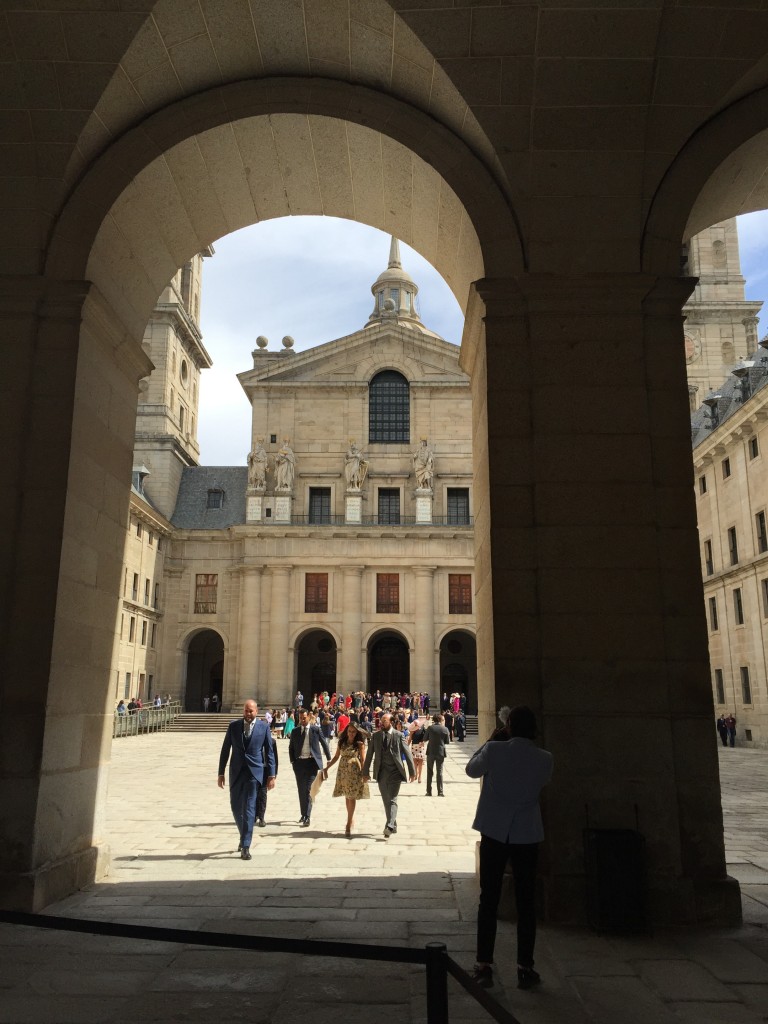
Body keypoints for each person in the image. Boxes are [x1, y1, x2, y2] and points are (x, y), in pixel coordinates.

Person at [466, 705, 553, 992]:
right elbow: (540, 782)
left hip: (494, 831)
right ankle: (525, 968)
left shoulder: (495, 750)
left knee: (488, 900)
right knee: (526, 903)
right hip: (527, 834)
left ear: (509, 726)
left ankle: (484, 965)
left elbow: (471, 769)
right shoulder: (545, 758)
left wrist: (491, 741)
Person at [217, 700, 276, 860]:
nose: (248, 714)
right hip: (236, 772)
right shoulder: (233, 726)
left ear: (256, 711)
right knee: (235, 807)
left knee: (249, 808)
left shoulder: (264, 727)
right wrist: (221, 773)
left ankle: (246, 845)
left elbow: (269, 752)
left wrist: (271, 775)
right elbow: (225, 749)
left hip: (254, 773)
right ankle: (243, 835)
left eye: (251, 711)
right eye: (246, 711)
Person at [362, 712, 415, 838]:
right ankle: (393, 824)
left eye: (384, 721)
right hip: (381, 772)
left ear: (391, 722)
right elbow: (369, 755)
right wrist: (365, 772)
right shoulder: (376, 736)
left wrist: (412, 771)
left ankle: (389, 825)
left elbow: (407, 753)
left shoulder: (399, 735)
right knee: (386, 799)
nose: (382, 723)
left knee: (392, 799)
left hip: (395, 771)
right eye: (381, 720)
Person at [324, 721, 369, 835]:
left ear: (357, 732)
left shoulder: (359, 744)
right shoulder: (342, 742)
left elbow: (363, 759)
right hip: (343, 772)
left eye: (353, 731)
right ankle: (351, 817)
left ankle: (348, 823)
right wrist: (327, 768)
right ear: (347, 731)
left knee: (351, 796)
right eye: (349, 731)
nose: (351, 733)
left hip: (354, 772)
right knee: (347, 796)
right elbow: (336, 757)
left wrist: (364, 773)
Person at [288, 707, 331, 827]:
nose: (302, 720)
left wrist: (329, 759)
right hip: (299, 764)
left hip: (312, 763)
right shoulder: (295, 731)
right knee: (301, 790)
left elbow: (324, 743)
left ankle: (307, 816)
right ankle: (303, 814)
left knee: (309, 790)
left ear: (308, 717)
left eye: (304, 718)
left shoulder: (315, 729)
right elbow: (291, 747)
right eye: (300, 718)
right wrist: (293, 761)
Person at [255, 721, 280, 829]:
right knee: (253, 793)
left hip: (265, 770)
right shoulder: (254, 740)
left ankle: (261, 817)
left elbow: (275, 759)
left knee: (262, 794)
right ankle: (254, 814)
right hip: (255, 770)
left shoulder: (272, 742)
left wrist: (273, 774)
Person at [424, 713, 450, 796]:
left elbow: (425, 738)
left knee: (429, 772)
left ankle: (429, 791)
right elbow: (447, 741)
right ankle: (440, 792)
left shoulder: (430, 728)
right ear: (440, 720)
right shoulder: (445, 729)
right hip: (440, 752)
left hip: (430, 752)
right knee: (439, 772)